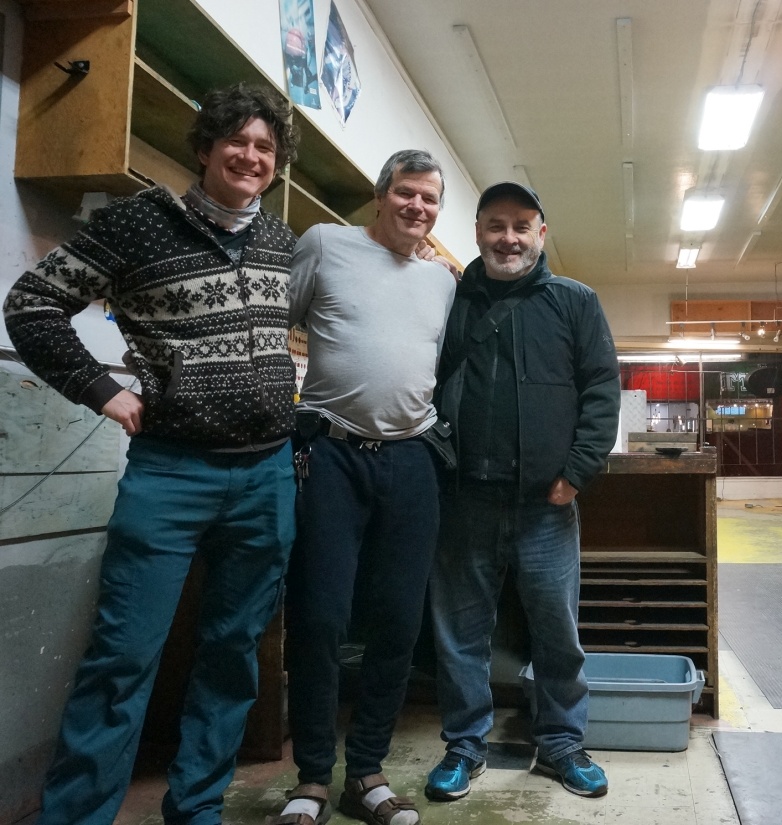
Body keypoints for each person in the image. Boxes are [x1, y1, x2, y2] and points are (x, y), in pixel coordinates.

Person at [2, 84, 300, 825]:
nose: (251, 156)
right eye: (237, 141)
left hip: (267, 474)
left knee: (234, 656)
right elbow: (31, 304)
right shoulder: (138, 225)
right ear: (205, 148)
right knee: (123, 656)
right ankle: (74, 815)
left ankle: (196, 806)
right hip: (171, 472)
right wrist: (101, 389)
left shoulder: (282, 241)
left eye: (265, 147)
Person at [272, 150, 457, 825]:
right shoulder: (326, 244)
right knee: (320, 616)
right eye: (406, 193)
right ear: (381, 196)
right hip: (332, 456)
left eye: (429, 199)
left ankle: (369, 772)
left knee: (398, 622)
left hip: (411, 461)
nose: (417, 207)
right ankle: (315, 776)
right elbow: (275, 329)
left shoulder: (441, 281)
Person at [423, 182, 620, 801]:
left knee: (557, 630)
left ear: (541, 232)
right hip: (465, 499)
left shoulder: (575, 302)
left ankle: (563, 743)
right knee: (461, 631)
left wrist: (577, 471)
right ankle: (464, 744)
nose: (509, 237)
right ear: (478, 229)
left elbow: (601, 388)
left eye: (522, 225)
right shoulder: (449, 300)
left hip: (547, 505)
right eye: (496, 225)